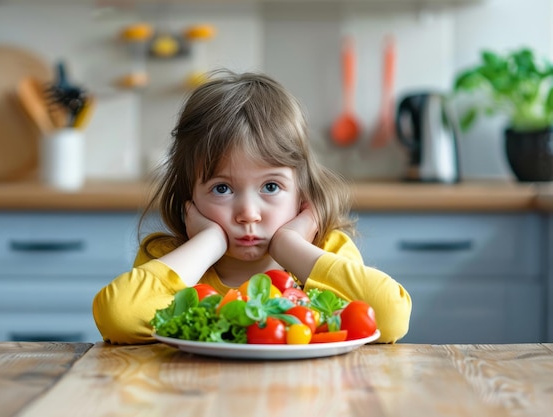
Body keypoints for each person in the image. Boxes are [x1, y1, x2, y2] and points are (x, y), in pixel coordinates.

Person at [92, 69, 411, 344]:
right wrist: (207, 244)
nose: (248, 213)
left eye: (271, 187)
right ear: (189, 195)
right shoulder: (170, 258)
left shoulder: (327, 249)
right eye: (222, 188)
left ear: (302, 192)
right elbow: (118, 316)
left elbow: (391, 318)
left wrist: (291, 247)